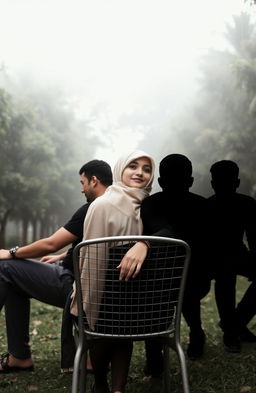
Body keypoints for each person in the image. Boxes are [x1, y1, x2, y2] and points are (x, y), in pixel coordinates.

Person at [0, 159, 113, 373]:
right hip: (87, 280)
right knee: (14, 280)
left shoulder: (93, 208)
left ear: (94, 180)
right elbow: (95, 246)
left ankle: (19, 357)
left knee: (5, 268)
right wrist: (63, 256)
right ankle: (19, 357)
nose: (82, 189)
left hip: (75, 285)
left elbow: (50, 243)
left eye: (83, 182)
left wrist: (11, 252)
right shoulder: (118, 209)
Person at [70, 150, 155, 393]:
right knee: (109, 324)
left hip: (134, 297)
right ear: (120, 170)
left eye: (146, 169)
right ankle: (103, 383)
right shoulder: (104, 204)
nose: (140, 172)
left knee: (120, 324)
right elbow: (93, 260)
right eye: (133, 166)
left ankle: (113, 389)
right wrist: (88, 304)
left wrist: (144, 243)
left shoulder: (148, 206)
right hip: (103, 292)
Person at [208, 160, 256, 353]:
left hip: (234, 253)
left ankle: (233, 325)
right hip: (217, 256)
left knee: (224, 282)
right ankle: (233, 329)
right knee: (224, 280)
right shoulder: (209, 206)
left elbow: (254, 236)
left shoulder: (210, 204)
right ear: (237, 182)